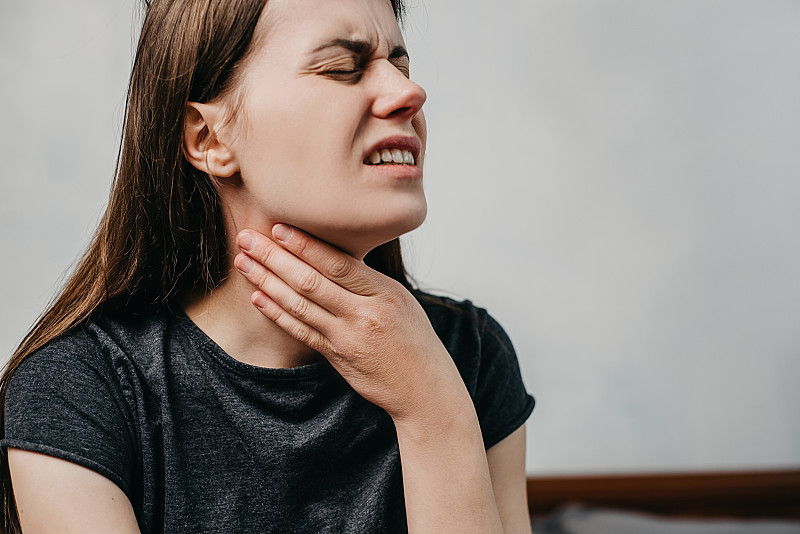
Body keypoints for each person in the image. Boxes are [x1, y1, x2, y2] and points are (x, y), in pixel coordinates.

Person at [0, 0, 534, 532]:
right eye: (342, 68)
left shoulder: (472, 356)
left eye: (401, 66)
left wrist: (434, 412)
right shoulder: (81, 390)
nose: (408, 93)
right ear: (208, 139)